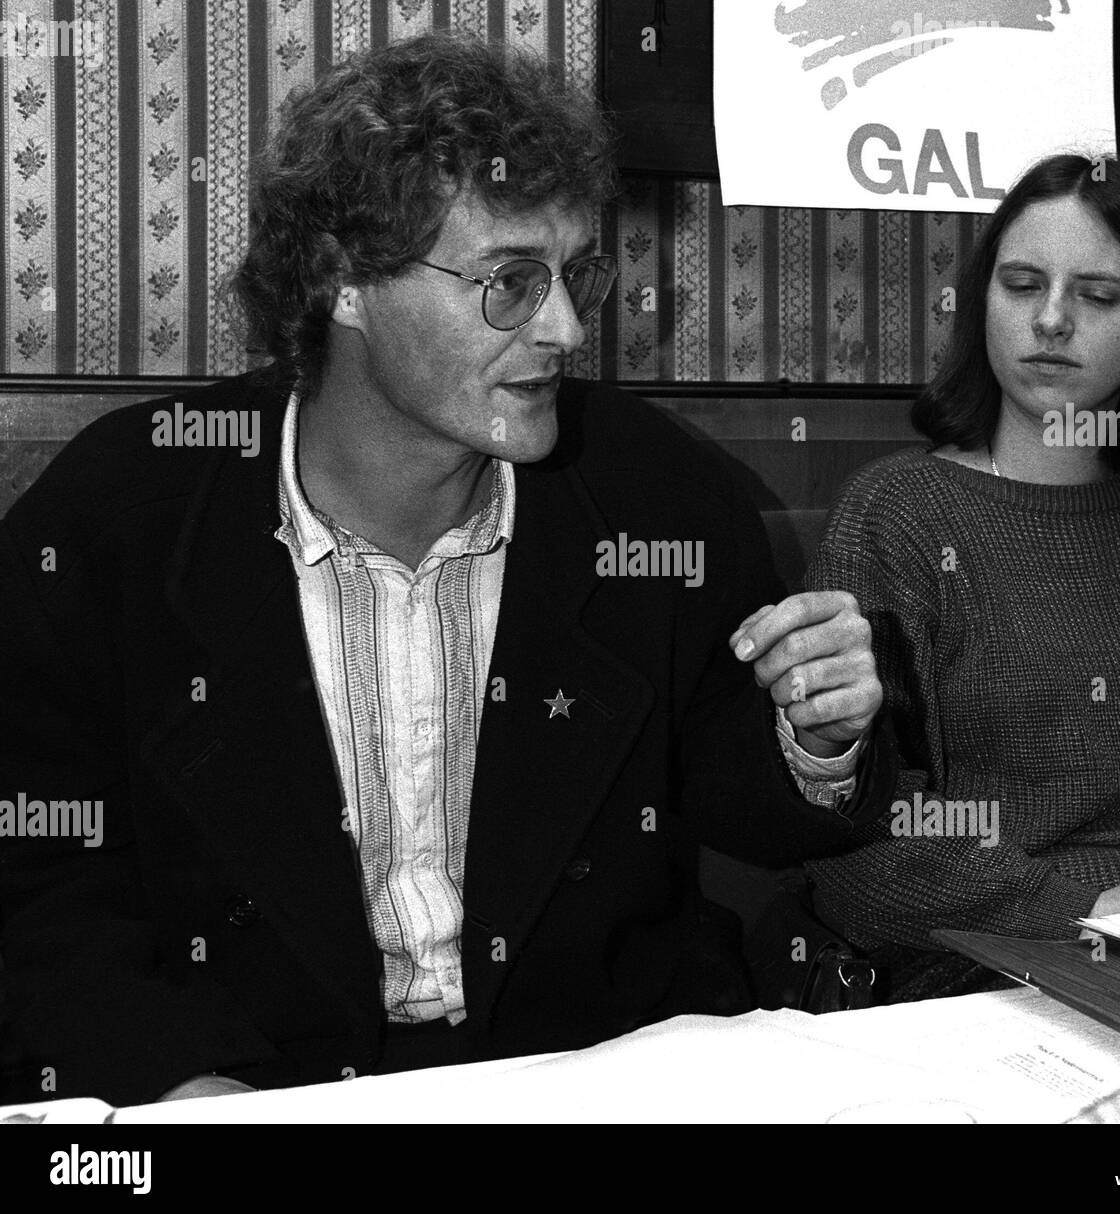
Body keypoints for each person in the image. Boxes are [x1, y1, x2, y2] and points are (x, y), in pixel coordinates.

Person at [0, 32, 895, 1108]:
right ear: (341, 279)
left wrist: (814, 736)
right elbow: (38, 880)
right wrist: (188, 1085)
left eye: (577, 275)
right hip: (258, 1078)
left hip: (592, 1070)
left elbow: (739, 806)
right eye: (509, 280)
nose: (564, 328)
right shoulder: (122, 517)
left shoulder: (658, 499)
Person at [803, 153, 1120, 1002]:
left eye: (1099, 296)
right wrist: (1090, 911)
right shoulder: (899, 515)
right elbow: (860, 847)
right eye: (1022, 285)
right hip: (992, 971)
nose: (1053, 321)